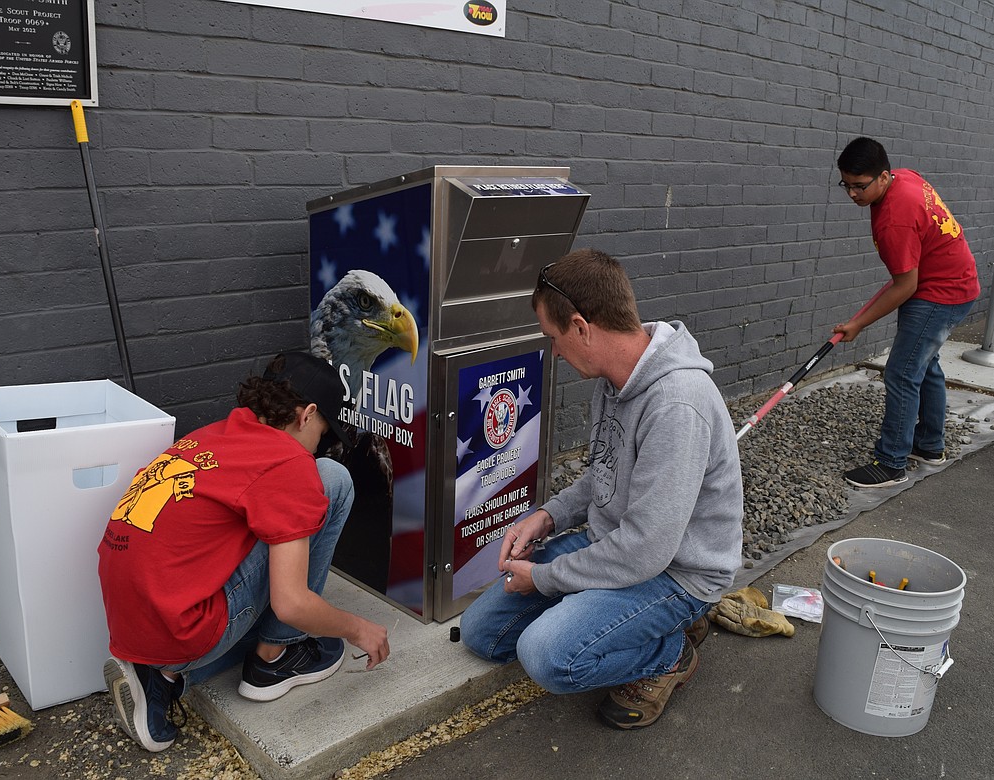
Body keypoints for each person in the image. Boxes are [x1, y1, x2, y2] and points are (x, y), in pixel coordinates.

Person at [460, 249, 744, 730]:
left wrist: (547, 579)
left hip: (675, 573)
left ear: (581, 326)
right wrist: (547, 515)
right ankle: (621, 624)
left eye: (553, 337)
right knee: (482, 633)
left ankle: (669, 652)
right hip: (616, 546)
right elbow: (605, 473)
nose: (554, 351)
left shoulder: (677, 405)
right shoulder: (614, 379)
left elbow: (646, 550)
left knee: (548, 657)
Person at [98, 352, 390, 753]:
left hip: (132, 621)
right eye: (323, 434)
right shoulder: (290, 462)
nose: (319, 445)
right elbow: (290, 603)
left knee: (279, 520)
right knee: (333, 480)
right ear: (306, 415)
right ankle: (274, 658)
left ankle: (161, 676)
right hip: (182, 628)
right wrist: (360, 629)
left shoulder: (211, 435)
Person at [833, 137, 980, 488]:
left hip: (940, 293)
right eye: (846, 185)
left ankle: (891, 463)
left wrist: (857, 324)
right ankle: (929, 446)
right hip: (955, 281)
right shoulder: (904, 177)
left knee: (901, 372)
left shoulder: (894, 220)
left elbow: (905, 286)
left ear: (883, 177)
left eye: (859, 186)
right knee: (924, 364)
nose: (852, 194)